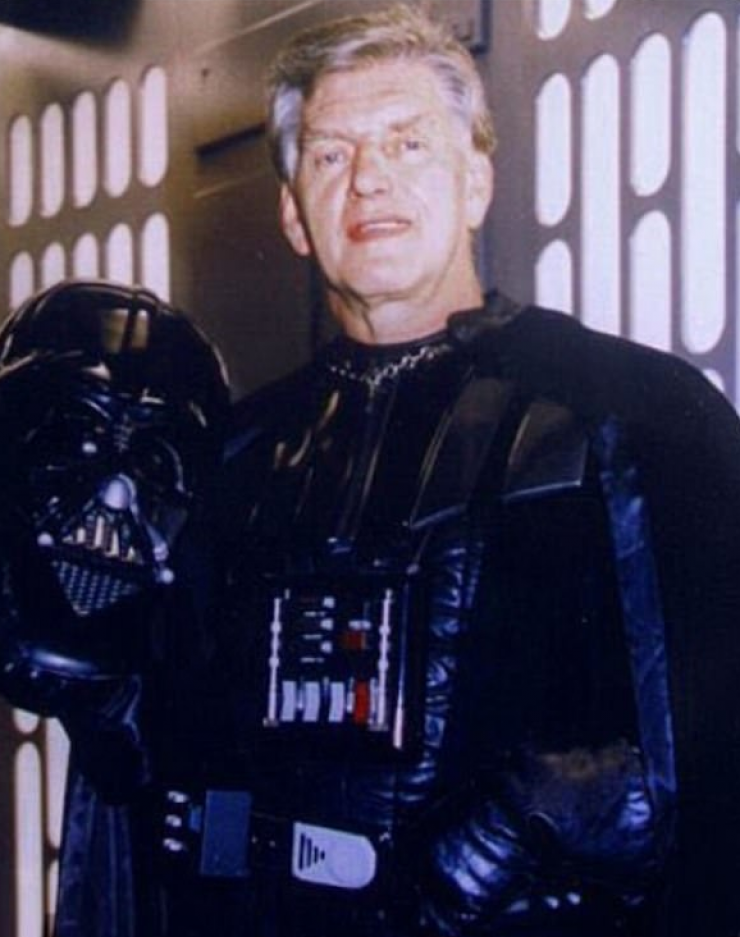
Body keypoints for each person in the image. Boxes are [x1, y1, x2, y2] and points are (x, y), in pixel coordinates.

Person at [152, 5, 740, 937]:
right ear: (293, 214)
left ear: (476, 182)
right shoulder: (235, 456)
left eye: (408, 142)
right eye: (331, 154)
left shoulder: (639, 416)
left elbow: (710, 743)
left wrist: (537, 816)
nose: (369, 178)